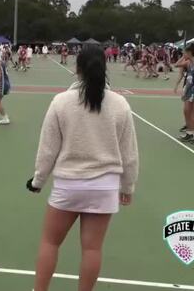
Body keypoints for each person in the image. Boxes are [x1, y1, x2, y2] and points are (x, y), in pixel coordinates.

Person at [27, 46, 139, 291]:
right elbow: (129, 152)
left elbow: (48, 149)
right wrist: (128, 186)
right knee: (92, 249)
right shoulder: (120, 104)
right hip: (105, 187)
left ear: (76, 69)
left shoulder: (61, 101)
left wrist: (38, 181)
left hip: (69, 184)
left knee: (50, 242)